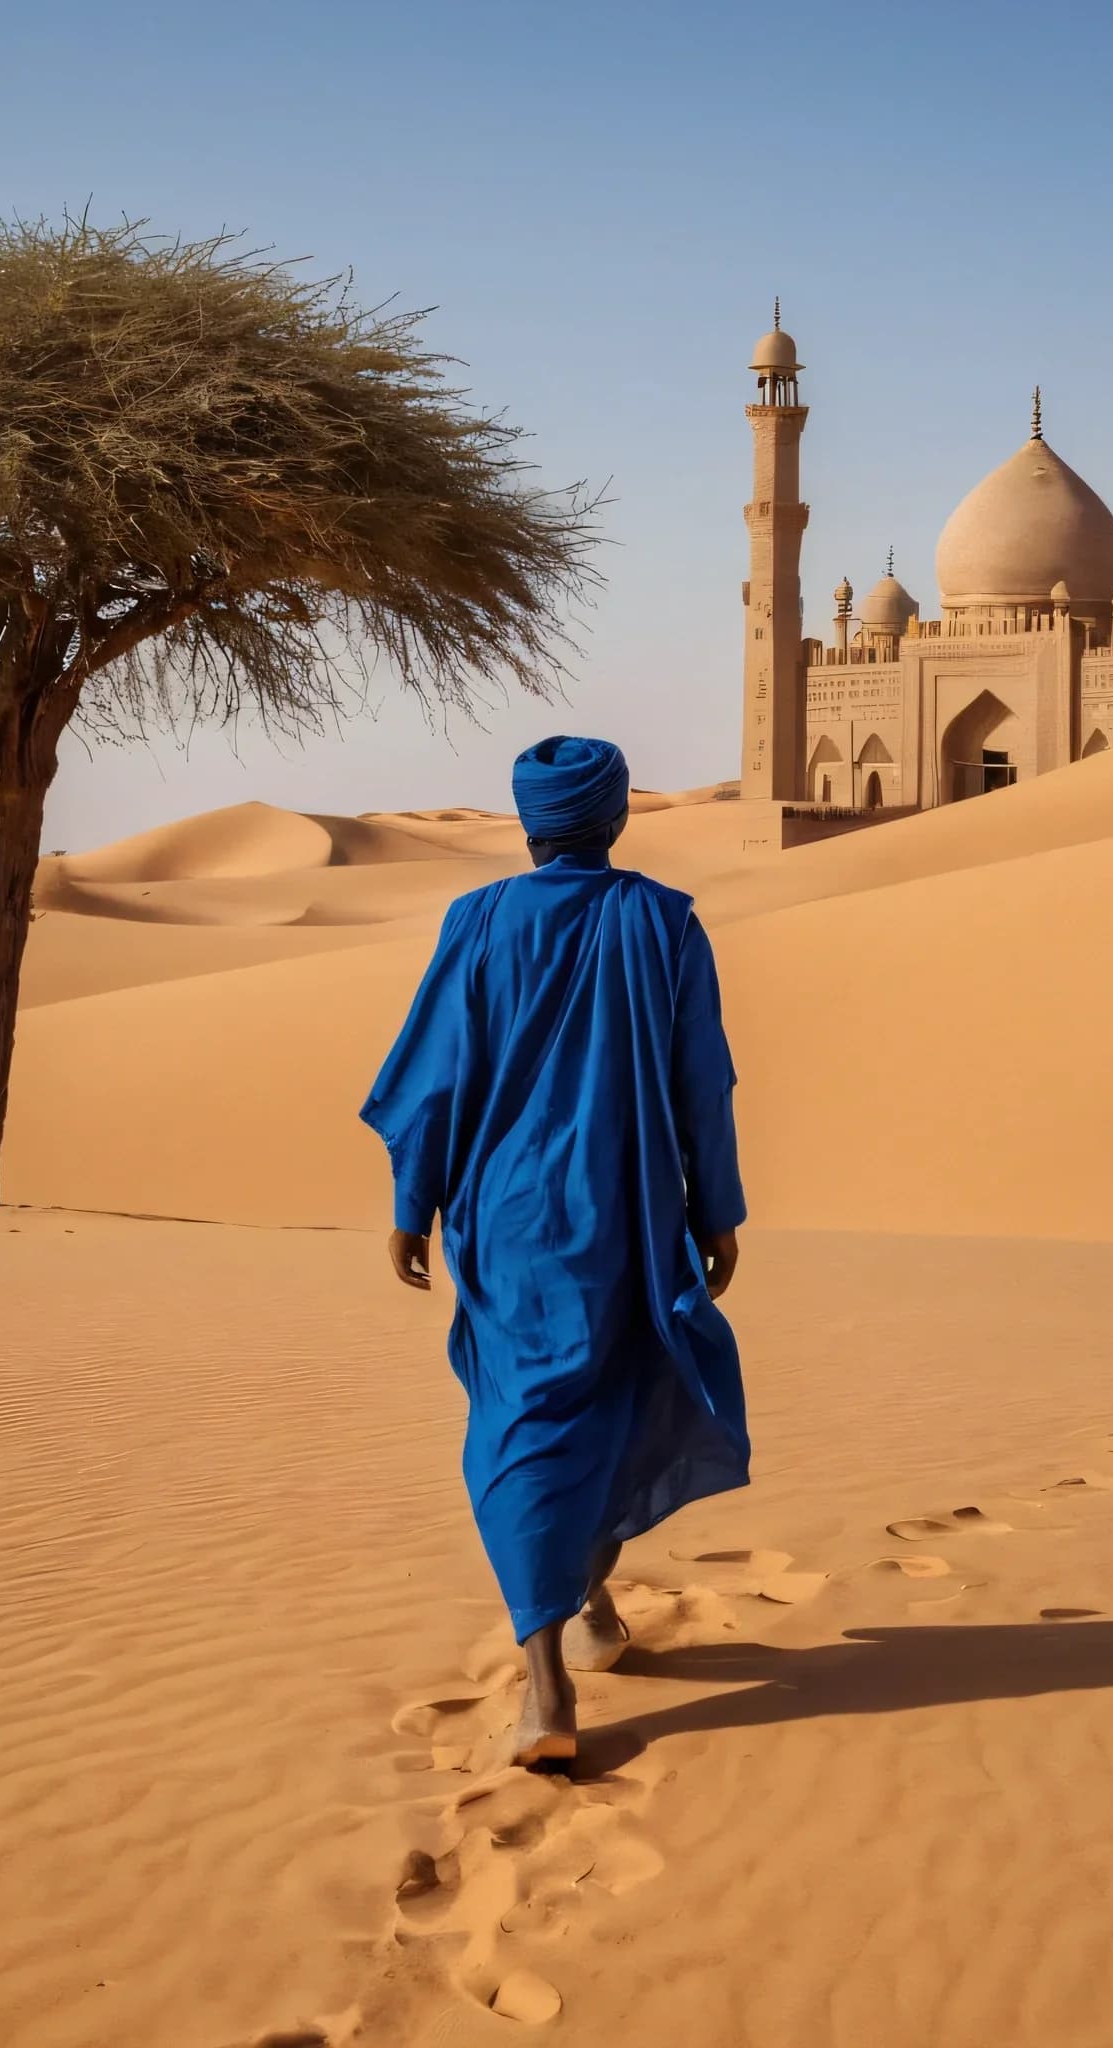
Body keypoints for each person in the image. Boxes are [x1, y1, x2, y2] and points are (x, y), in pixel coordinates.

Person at [360, 735, 749, 1767]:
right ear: (615, 818)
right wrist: (717, 1209)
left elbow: (431, 1082)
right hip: (624, 1213)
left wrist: (413, 1205)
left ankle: (550, 1676)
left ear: (528, 824)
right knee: (617, 1406)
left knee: (524, 1425)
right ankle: (577, 1613)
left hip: (506, 1218)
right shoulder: (662, 922)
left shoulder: (475, 922)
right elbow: (701, 1082)